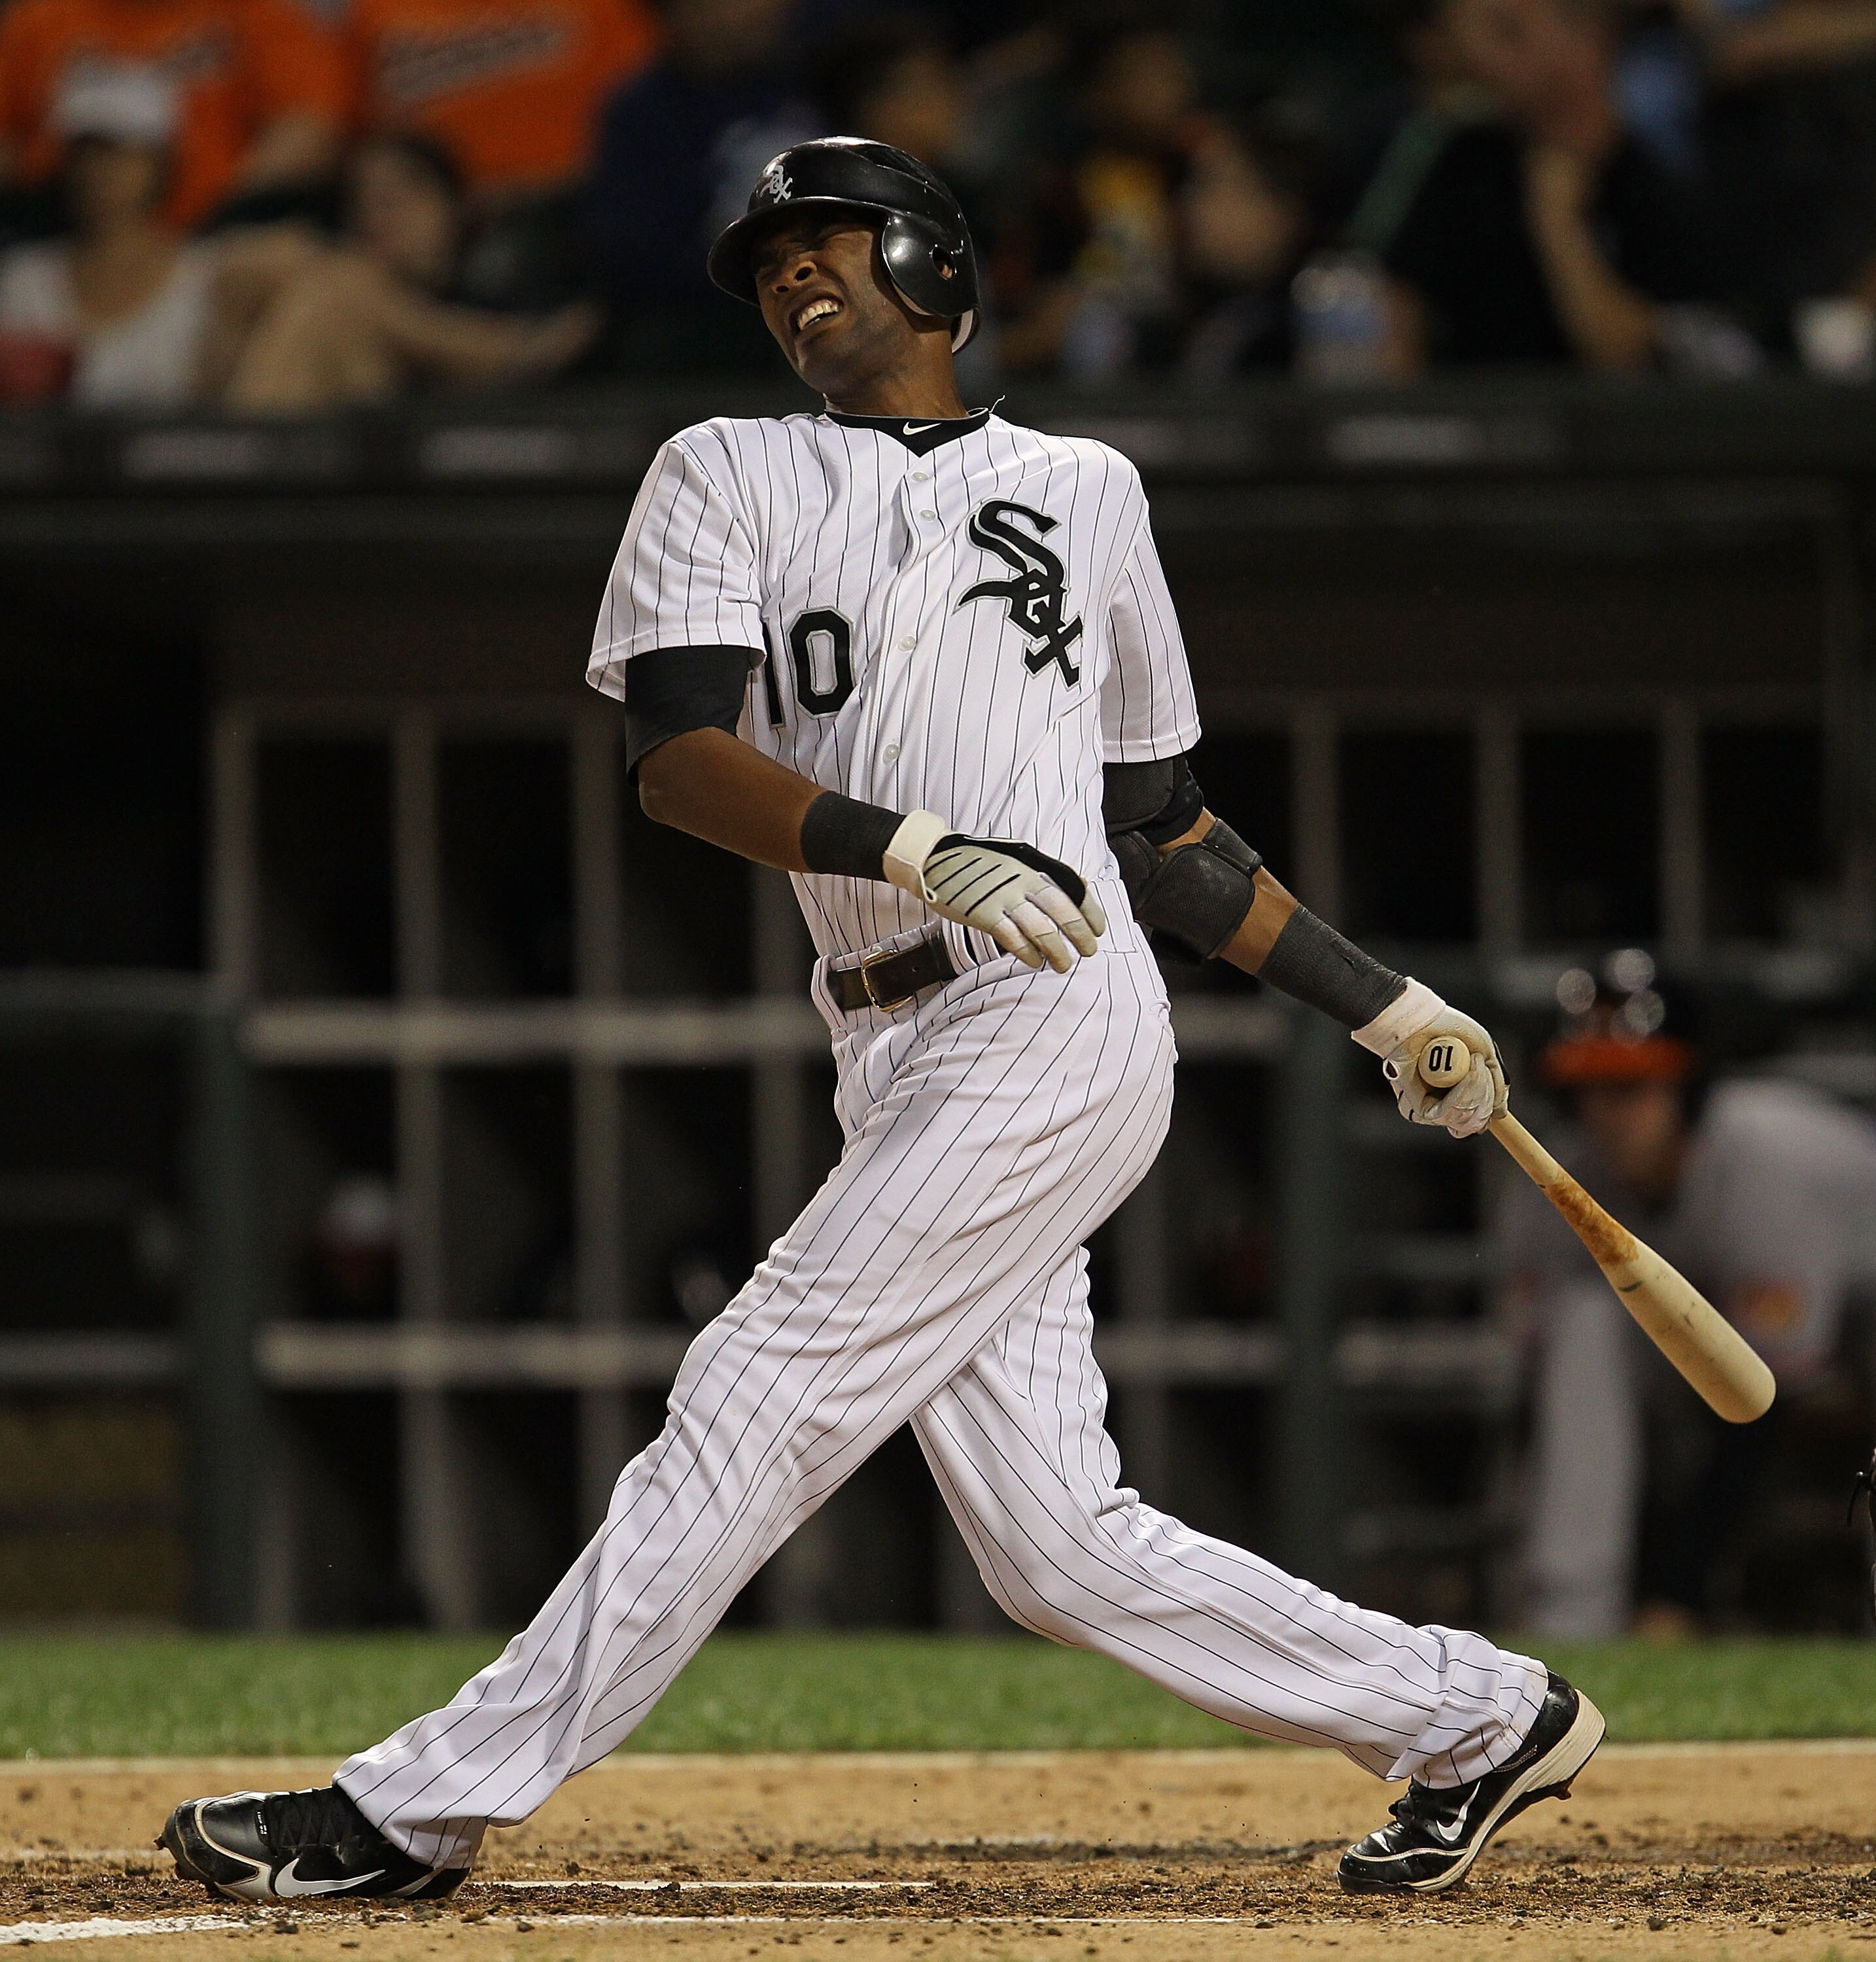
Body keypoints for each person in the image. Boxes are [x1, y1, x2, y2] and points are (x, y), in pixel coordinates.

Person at [160, 135, 1603, 1908]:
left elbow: (1164, 832)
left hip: (1054, 1021)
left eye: (825, 243)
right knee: (1055, 1551)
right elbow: (679, 766)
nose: (790, 279)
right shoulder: (723, 469)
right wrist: (913, 847)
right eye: (767, 265)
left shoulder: (1089, 487)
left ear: (935, 267)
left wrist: (1384, 1009)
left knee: (753, 1386)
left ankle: (416, 1810)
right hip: (890, 1032)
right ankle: (1473, 1714)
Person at [1505, 955, 1876, 1637]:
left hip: (1857, 1316)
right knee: (1585, 1323)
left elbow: (1758, 1406)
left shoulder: (1768, 1167)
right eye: (1591, 1089)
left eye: (1635, 1088)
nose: (1608, 1115)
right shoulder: (1561, 1173)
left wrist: (1678, 1593)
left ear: (1691, 1090)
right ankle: (1573, 1623)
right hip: (1730, 1341)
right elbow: (1536, 1390)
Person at [1374, 0, 1732, 368]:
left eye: (1511, 34)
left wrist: (1558, 224)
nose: (1482, 60)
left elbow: (1639, 360)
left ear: (1589, 41)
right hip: (1469, 415)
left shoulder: (1667, 179)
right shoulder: (1468, 159)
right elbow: (1400, 315)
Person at [220, 130, 596, 411]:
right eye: (368, 200)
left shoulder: (513, 280)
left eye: (408, 190)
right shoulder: (341, 286)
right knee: (333, 289)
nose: (386, 214)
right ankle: (507, 351)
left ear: (454, 203)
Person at [585, 0, 820, 371]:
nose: (752, 12)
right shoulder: (643, 114)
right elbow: (639, 255)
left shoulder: (825, 79)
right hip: (711, 316)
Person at [0, 0, 345, 232]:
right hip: (55, 233)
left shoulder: (255, 13)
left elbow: (308, 131)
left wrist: (212, 207)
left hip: (218, 233)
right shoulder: (40, 18)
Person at [341, 0, 659, 208]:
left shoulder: (603, 9)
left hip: (572, 209)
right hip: (422, 228)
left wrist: (524, 194)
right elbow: (353, 140)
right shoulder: (374, 13)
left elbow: (657, 122)